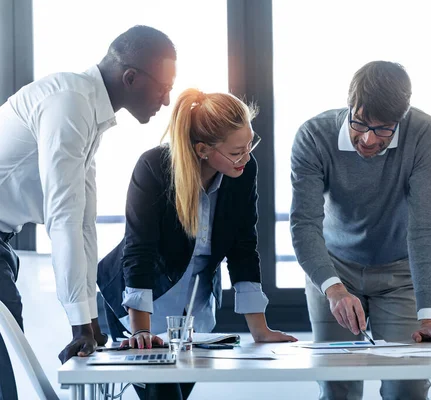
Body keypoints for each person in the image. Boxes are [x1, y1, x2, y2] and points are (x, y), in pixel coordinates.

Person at [0, 25, 176, 399]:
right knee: (5, 374)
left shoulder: (88, 114)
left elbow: (84, 225)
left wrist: (90, 322)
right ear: (130, 77)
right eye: (163, 87)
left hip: (3, 243)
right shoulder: (69, 103)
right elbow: (62, 217)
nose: (166, 100)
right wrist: (80, 323)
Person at [98, 88, 297, 400]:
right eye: (235, 151)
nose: (245, 157)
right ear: (203, 149)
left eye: (249, 145)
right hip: (140, 305)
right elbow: (139, 251)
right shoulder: (155, 168)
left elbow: (244, 246)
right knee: (163, 395)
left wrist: (260, 329)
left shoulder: (243, 171)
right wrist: (141, 332)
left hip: (194, 311)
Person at [290, 60, 431, 400]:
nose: (367, 138)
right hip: (336, 269)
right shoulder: (313, 136)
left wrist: (428, 317)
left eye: (383, 129)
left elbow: (426, 227)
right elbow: (304, 223)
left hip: (399, 272)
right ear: (349, 104)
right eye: (360, 122)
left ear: (401, 118)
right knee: (339, 388)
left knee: (406, 387)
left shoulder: (424, 134)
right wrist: (333, 289)